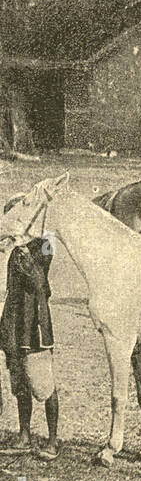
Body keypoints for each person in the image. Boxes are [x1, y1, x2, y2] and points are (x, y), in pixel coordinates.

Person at [0, 196, 58, 460]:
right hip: (13, 325)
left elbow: (40, 284)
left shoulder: (40, 246)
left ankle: (52, 441)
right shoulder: (12, 251)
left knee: (43, 386)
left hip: (34, 325)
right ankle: (24, 435)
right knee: (20, 383)